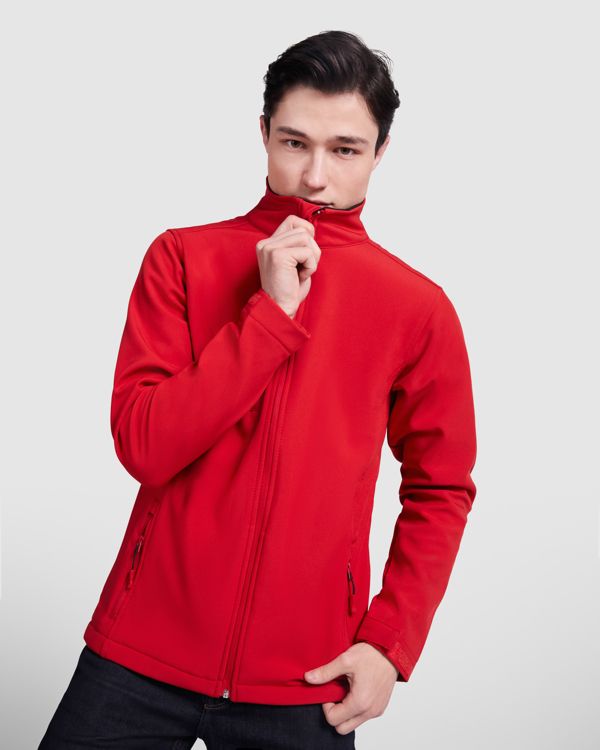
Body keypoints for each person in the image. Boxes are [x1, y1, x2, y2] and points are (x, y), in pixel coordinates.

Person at [38, 29, 477, 750]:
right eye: (294, 143)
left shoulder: (417, 308)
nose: (314, 177)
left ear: (380, 152)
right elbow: (146, 445)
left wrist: (389, 644)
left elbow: (442, 486)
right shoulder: (182, 258)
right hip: (139, 654)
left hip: (306, 679)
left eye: (345, 150)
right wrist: (269, 317)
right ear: (264, 132)